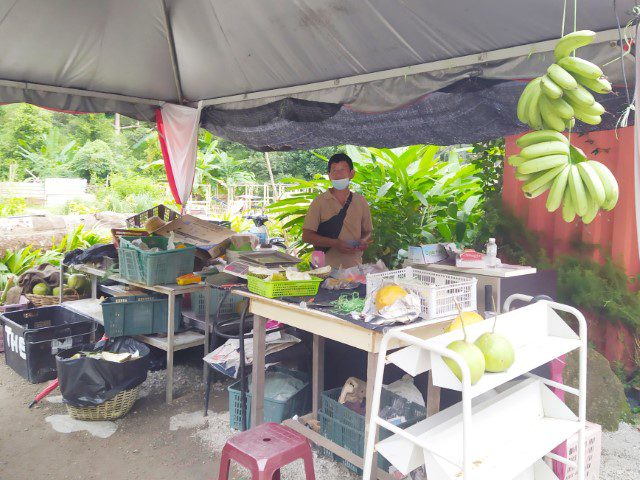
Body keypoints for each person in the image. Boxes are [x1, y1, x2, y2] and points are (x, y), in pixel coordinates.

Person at [302, 153, 373, 268]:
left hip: (353, 269)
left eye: (342, 170)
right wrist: (335, 243)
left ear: (352, 174)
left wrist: (363, 240)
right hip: (322, 269)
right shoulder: (319, 202)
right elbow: (307, 236)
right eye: (334, 171)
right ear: (329, 175)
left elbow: (368, 231)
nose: (338, 174)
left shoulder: (360, 201)